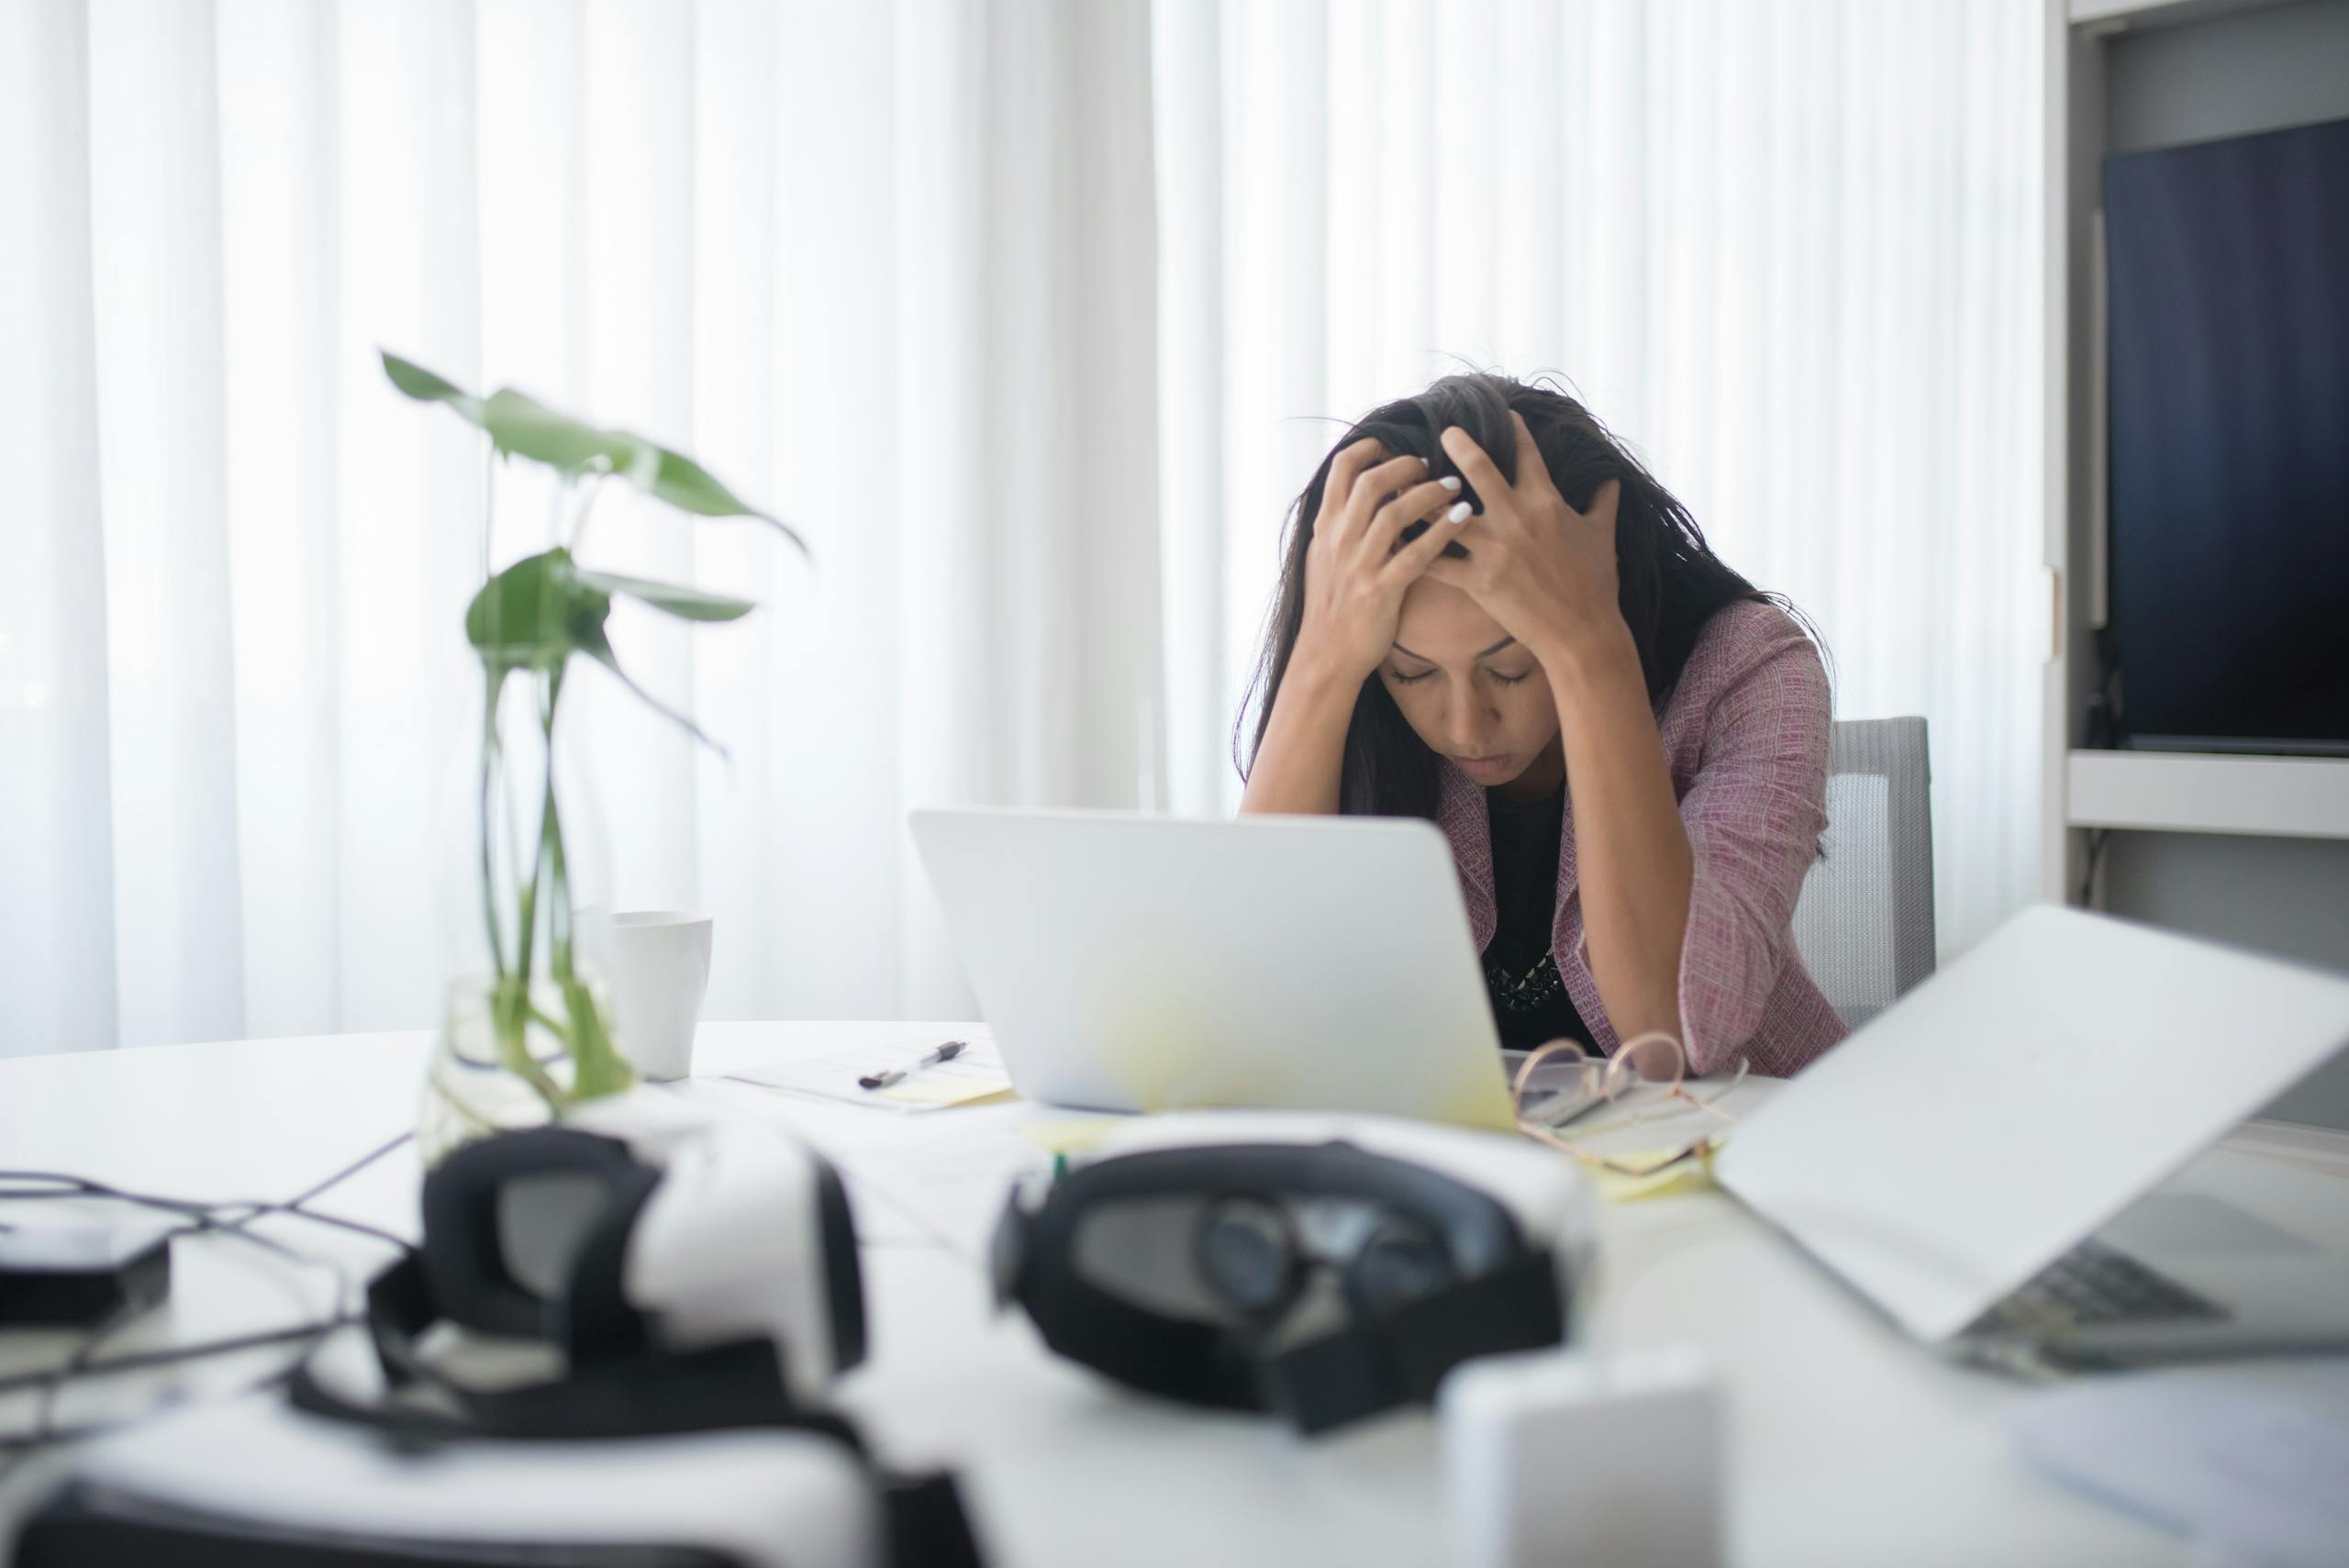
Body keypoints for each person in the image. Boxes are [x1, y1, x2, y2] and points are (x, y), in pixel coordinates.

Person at [1237, 373, 1846, 1078]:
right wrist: (1323, 661)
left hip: (1732, 1154)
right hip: (1464, 1161)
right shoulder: (1359, 691)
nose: (1467, 726)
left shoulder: (1751, 666)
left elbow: (1671, 1036)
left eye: (1513, 668)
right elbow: (1254, 1000)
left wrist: (1590, 648)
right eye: (1413, 673)